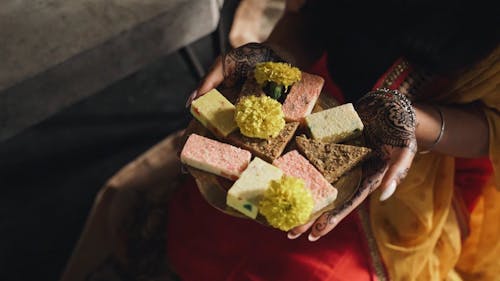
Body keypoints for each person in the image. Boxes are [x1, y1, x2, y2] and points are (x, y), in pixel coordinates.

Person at [168, 0, 500, 280]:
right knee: (211, 227)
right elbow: (310, 15)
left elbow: (492, 128)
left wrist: (411, 121)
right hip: (320, 95)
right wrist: (277, 59)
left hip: (427, 152)